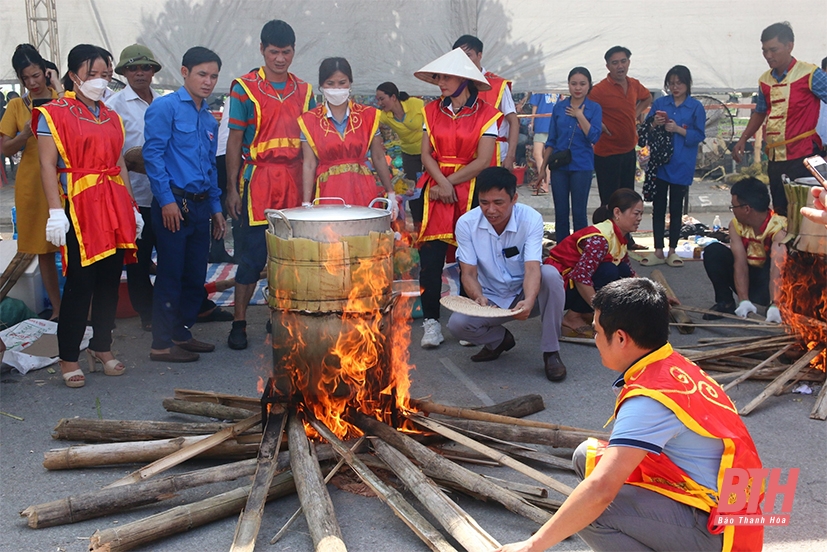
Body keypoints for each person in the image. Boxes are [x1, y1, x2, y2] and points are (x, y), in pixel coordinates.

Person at [494, 278, 764, 552]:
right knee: (586, 457)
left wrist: (531, 546)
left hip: (720, 529)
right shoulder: (673, 365)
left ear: (621, 338)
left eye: (597, 331)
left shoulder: (650, 399)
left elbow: (601, 491)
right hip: (730, 504)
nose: (595, 338)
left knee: (592, 509)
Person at [34, 44, 139, 388]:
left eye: (105, 75)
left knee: (110, 277)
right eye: (92, 74)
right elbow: (47, 165)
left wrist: (132, 207)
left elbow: (120, 163)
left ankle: (101, 347)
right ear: (74, 74)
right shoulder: (55, 113)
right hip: (78, 205)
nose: (99, 81)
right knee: (81, 281)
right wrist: (54, 212)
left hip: (112, 201)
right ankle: (68, 357)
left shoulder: (111, 115)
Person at [224, 20, 313, 350]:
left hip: (294, 182)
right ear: (262, 50)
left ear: (293, 52)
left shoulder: (305, 90)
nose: (280, 58)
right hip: (257, 181)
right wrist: (232, 188)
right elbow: (234, 141)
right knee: (251, 258)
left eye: (286, 52)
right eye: (273, 52)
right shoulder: (243, 88)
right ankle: (239, 322)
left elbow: (310, 143)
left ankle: (282, 318)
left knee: (290, 258)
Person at [412, 48, 501, 349]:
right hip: (435, 190)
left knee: (469, 259)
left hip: (469, 189)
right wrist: (440, 183)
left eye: (446, 76)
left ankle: (467, 319)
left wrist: (448, 183)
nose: (440, 82)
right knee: (430, 260)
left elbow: (484, 159)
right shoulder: (430, 111)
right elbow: (426, 154)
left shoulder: (489, 115)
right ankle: (431, 322)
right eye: (438, 77)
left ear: (464, 79)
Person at [143, 46, 226, 363]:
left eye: (214, 76)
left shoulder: (208, 118)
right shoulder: (165, 108)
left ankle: (180, 332)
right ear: (184, 72)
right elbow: (152, 157)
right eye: (202, 74)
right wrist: (165, 201)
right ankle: (161, 344)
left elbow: (209, 168)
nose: (208, 81)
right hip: (174, 204)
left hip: (201, 206)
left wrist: (217, 209)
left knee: (194, 276)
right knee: (170, 274)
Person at [446, 167, 567, 381]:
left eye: (498, 203)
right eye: (484, 202)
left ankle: (551, 351)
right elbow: (469, 274)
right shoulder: (466, 224)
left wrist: (529, 300)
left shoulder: (530, 219)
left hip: (526, 291)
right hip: (490, 297)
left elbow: (532, 268)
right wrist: (477, 297)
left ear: (514, 199)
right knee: (456, 324)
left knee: (550, 275)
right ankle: (499, 340)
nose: (491, 210)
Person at [731, 22, 827, 216]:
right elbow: (760, 112)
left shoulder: (810, 73)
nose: (768, 56)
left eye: (773, 50)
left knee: (805, 210)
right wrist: (743, 139)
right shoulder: (764, 79)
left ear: (789, 46)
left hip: (804, 155)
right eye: (764, 51)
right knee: (781, 210)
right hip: (775, 158)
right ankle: (782, 247)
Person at [1, 44, 62, 320]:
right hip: (32, 184)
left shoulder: (64, 98)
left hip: (66, 179)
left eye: (36, 75)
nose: (32, 83)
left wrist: (58, 89)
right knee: (44, 249)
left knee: (75, 245)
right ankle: (59, 309)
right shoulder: (16, 106)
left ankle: (83, 307)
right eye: (25, 78)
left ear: (46, 71)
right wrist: (24, 134)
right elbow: (5, 149)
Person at [105, 44, 162, 332]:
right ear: (124, 72)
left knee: (169, 254)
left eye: (146, 67)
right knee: (138, 257)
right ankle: (147, 313)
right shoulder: (115, 105)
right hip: (133, 194)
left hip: (165, 194)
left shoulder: (164, 102)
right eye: (133, 68)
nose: (140, 73)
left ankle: (170, 306)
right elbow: (111, 151)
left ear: (154, 71)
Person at [545, 188, 641, 338]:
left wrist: (657, 296)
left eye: (641, 214)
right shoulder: (600, 238)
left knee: (621, 269)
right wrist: (600, 313)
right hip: (557, 287)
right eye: (636, 213)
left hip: (570, 283)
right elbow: (580, 277)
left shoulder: (620, 236)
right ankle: (572, 317)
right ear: (617, 213)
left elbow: (629, 271)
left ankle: (583, 312)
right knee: (608, 270)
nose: (640, 218)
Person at [299, 57, 394, 209]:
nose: (336, 88)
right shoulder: (310, 120)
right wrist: (306, 202)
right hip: (328, 192)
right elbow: (309, 164)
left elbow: (378, 157)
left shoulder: (368, 116)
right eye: (330, 83)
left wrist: (391, 193)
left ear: (350, 83)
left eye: (342, 82)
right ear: (321, 85)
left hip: (362, 189)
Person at [638, 65, 706, 268]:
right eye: (671, 83)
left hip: (682, 162)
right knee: (658, 207)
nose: (675, 87)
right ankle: (658, 249)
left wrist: (678, 130)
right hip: (660, 163)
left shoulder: (695, 107)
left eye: (679, 83)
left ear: (687, 84)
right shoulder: (661, 102)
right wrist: (655, 123)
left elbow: (699, 135)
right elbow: (646, 131)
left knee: (676, 208)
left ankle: (673, 250)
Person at [701, 177, 786, 323]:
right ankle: (726, 302)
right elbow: (739, 263)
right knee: (713, 251)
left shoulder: (779, 227)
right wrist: (743, 299)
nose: (732, 211)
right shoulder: (735, 225)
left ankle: (777, 305)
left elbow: (776, 269)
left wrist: (775, 303)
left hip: (771, 280)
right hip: (751, 278)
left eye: (734, 207)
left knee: (777, 263)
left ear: (746, 209)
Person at [538, 67, 602, 242]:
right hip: (559, 166)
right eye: (573, 83)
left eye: (582, 84)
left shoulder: (594, 108)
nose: (578, 88)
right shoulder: (559, 107)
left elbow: (594, 136)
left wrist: (580, 115)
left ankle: (581, 251)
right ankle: (562, 249)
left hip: (582, 166)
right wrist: (543, 168)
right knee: (561, 211)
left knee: (579, 211)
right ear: (568, 85)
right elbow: (551, 140)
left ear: (589, 86)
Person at [589, 46, 652, 206]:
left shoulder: (634, 84)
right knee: (610, 201)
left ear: (629, 62)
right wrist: (598, 124)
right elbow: (584, 108)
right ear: (608, 66)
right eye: (615, 63)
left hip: (629, 151)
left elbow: (647, 97)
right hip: (607, 154)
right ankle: (609, 230)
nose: (620, 66)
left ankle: (624, 231)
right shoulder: (599, 90)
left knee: (627, 199)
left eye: (623, 61)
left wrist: (634, 112)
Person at [453, 35, 519, 170]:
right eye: (460, 56)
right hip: (463, 154)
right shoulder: (454, 84)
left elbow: (513, 121)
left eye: (468, 55)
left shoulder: (497, 84)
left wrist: (510, 156)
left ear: (479, 55)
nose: (464, 60)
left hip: (495, 153)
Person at [375, 81, 425, 226]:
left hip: (429, 152)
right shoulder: (384, 116)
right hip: (409, 154)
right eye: (377, 100)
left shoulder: (415, 104)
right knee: (413, 191)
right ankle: (417, 226)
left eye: (381, 98)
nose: (379, 103)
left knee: (429, 188)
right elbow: (368, 120)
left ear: (393, 97)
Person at [528, 92, 557, 194]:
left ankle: (544, 184)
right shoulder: (557, 86)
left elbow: (535, 105)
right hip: (554, 124)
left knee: (537, 154)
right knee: (546, 156)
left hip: (542, 123)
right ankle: (545, 183)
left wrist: (532, 121)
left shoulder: (538, 88)